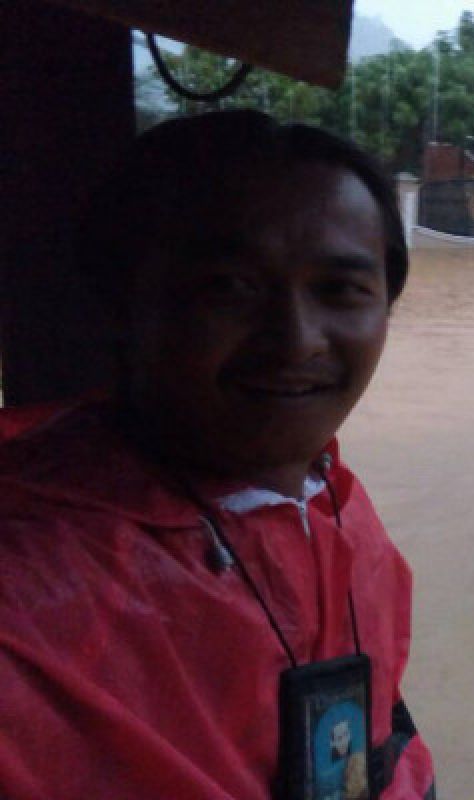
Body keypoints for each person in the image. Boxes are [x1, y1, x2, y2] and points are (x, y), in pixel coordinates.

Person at [0, 112, 434, 799]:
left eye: (340, 289)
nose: (296, 341)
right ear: (120, 303)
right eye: (229, 287)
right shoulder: (30, 601)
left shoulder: (339, 505)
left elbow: (385, 738)